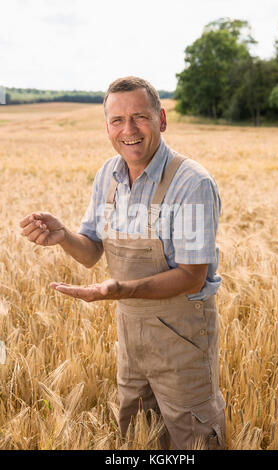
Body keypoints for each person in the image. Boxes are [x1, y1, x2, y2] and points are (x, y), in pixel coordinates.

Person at [20, 76, 226, 450]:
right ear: (107, 127)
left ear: (161, 119)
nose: (128, 130)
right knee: (137, 436)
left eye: (140, 117)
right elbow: (92, 251)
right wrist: (63, 236)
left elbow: (192, 277)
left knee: (192, 437)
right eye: (117, 120)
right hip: (130, 338)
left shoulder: (191, 183)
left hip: (183, 342)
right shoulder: (108, 176)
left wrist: (118, 290)